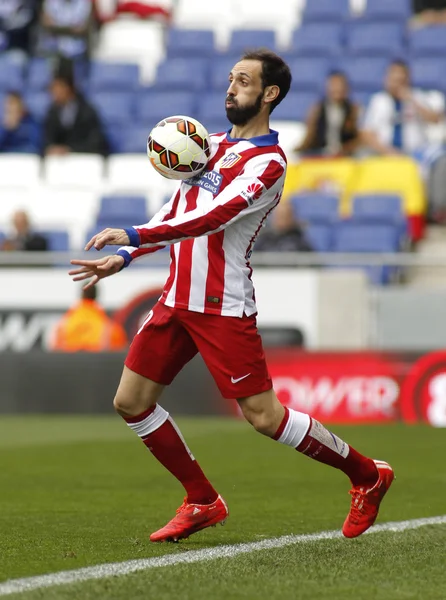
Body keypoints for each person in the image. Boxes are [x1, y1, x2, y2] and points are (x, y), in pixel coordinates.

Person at [69, 49, 394, 544]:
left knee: (264, 417)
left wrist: (132, 235)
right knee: (131, 401)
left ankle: (367, 475)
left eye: (243, 81)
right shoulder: (208, 145)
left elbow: (214, 217)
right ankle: (201, 499)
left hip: (222, 305)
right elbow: (177, 210)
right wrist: (130, 256)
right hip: (178, 298)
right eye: (229, 79)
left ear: (269, 94)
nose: (230, 88)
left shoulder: (269, 163)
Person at [360, 60, 446, 221]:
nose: (397, 84)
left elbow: (435, 119)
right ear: (386, 79)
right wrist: (389, 152)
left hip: (417, 152)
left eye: (401, 80)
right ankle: (367, 210)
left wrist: (411, 99)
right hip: (386, 151)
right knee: (362, 157)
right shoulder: (378, 100)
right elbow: (366, 133)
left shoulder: (419, 97)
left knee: (442, 160)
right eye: (394, 79)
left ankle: (436, 210)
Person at [295, 71, 360, 157]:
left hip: (346, 156)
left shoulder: (353, 109)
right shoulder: (317, 109)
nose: (336, 89)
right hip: (321, 154)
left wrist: (344, 149)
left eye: (339, 85)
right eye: (333, 85)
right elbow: (310, 136)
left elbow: (358, 138)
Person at [44, 70, 108, 156]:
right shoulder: (52, 112)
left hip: (83, 160)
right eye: (52, 89)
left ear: (69, 88)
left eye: (58, 88)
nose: (54, 93)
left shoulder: (87, 111)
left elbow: (96, 141)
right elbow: (47, 138)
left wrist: (70, 149)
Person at [50, 285, 128, 352]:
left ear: (81, 295)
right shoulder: (110, 328)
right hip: (99, 368)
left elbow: (54, 350)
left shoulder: (62, 325)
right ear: (96, 296)